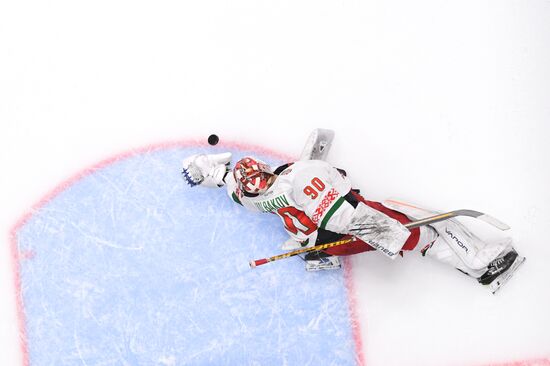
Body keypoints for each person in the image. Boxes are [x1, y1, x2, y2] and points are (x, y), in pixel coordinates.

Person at [181, 152, 524, 293]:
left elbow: (230, 186)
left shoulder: (250, 201)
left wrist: (214, 172)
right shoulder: (296, 178)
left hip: (323, 233)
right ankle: (482, 266)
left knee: (410, 220)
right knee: (417, 234)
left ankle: (314, 251)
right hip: (344, 227)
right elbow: (343, 213)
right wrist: (385, 231)